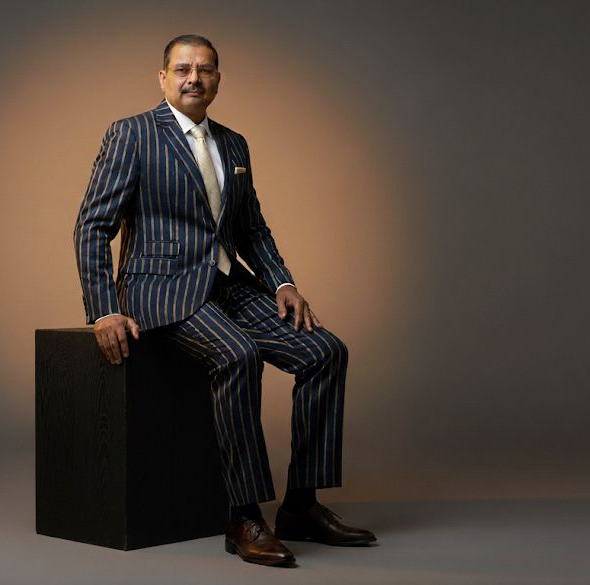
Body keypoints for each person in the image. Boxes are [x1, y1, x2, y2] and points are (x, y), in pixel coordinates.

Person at [73, 34, 376, 567]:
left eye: (205, 69)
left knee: (325, 352)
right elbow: (92, 226)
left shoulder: (234, 144)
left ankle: (300, 506)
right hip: (160, 288)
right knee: (239, 355)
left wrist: (282, 283)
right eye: (183, 69)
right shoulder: (132, 134)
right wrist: (103, 309)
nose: (194, 78)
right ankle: (243, 515)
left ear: (218, 79)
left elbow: (252, 228)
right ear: (163, 78)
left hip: (228, 285)